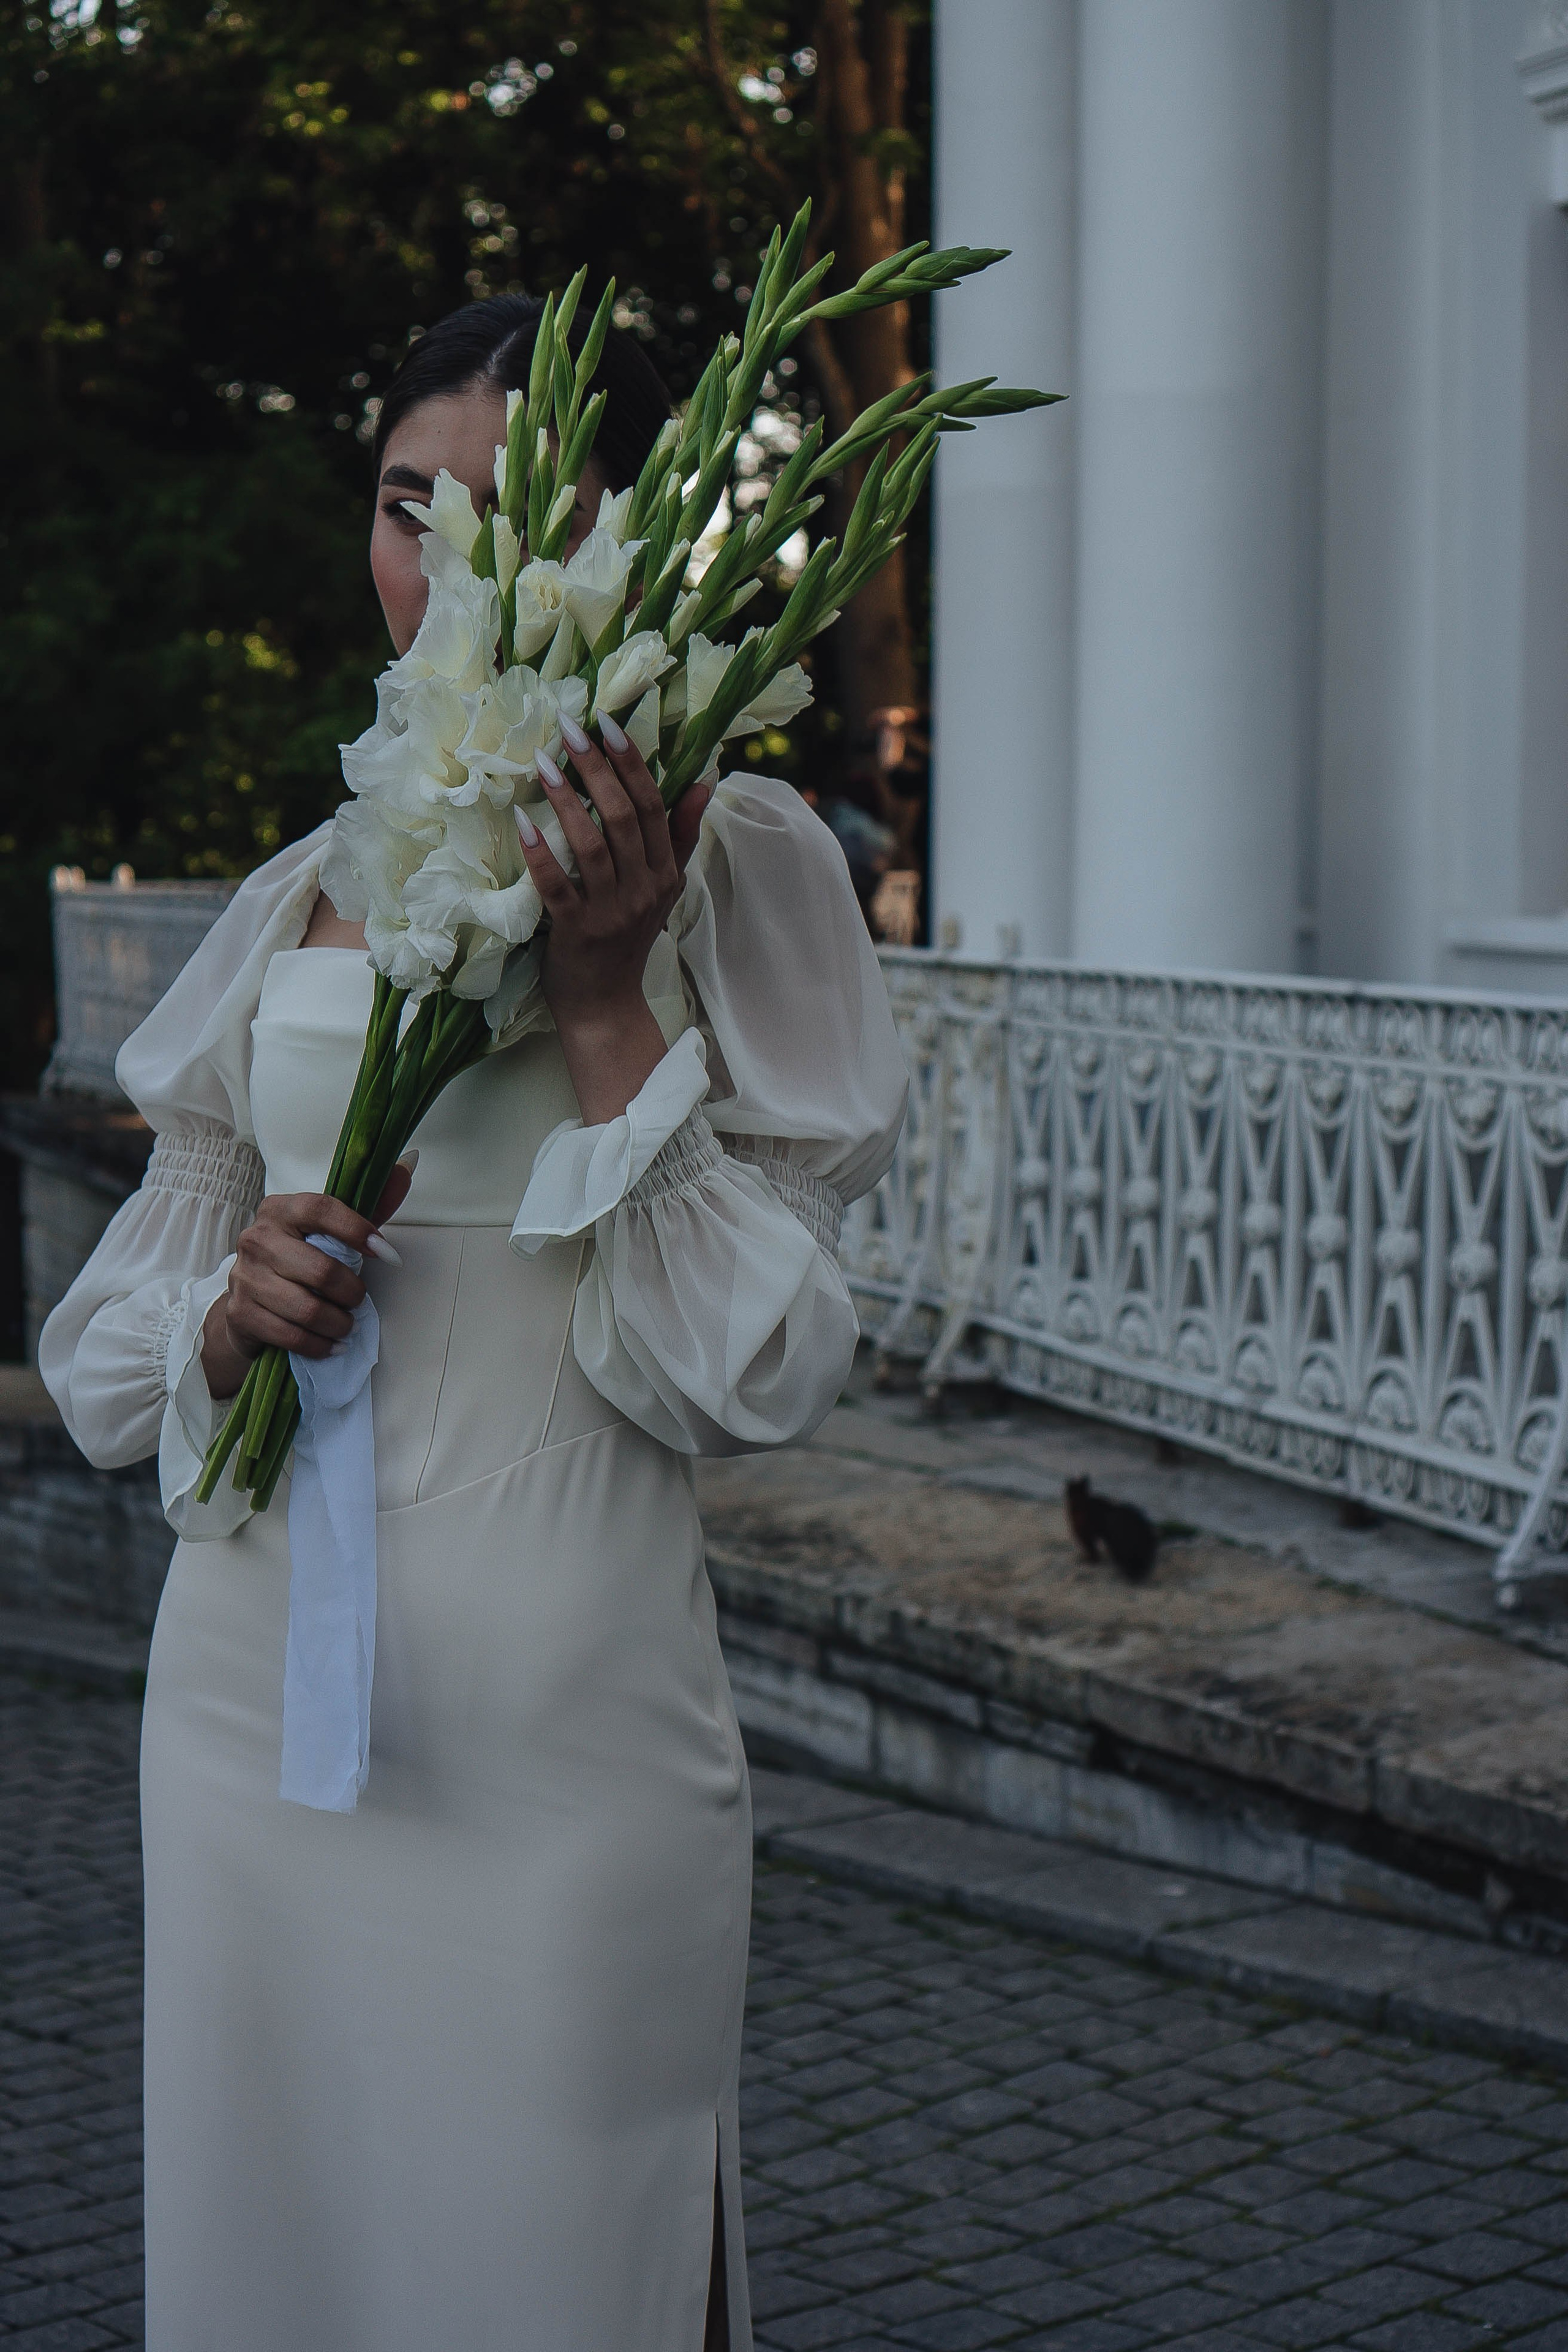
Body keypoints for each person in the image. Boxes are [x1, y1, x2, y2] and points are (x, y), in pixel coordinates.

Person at [39, 293, 909, 2352]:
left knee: (564, 2269)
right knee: (283, 2267)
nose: (433, 555)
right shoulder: (300, 883)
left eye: (496, 508)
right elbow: (121, 1351)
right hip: (252, 1709)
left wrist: (610, 1005)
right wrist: (230, 1327)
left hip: (559, 1730)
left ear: (617, 546)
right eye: (399, 503)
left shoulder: (725, 855)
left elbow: (756, 1373)